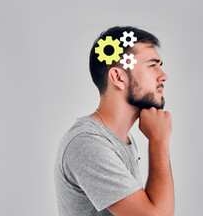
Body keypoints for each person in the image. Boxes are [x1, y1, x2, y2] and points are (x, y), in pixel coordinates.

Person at [54, 26, 174, 216]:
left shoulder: (120, 140)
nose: (164, 76)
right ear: (118, 77)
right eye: (152, 65)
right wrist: (159, 141)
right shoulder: (87, 143)